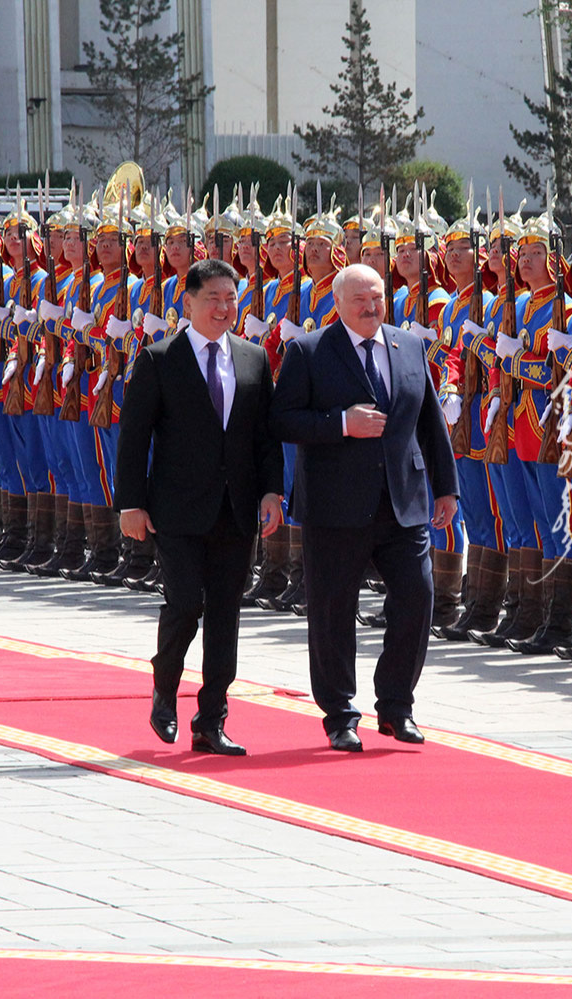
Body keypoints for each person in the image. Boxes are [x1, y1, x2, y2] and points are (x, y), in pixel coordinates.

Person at [269, 262, 459, 751]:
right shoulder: (308, 351)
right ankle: (340, 714)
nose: (373, 307)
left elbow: (429, 421)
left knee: (417, 598)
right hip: (336, 505)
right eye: (361, 300)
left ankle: (396, 706)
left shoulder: (409, 345)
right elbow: (284, 420)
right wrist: (340, 424)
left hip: (403, 501)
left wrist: (446, 488)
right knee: (333, 611)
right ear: (337, 304)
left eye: (378, 298)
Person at [114, 258, 283, 755]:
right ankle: (165, 688)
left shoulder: (253, 359)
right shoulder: (160, 358)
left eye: (231, 299)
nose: (224, 308)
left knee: (226, 614)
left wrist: (273, 491)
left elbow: (264, 436)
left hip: (237, 509)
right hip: (177, 508)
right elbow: (133, 438)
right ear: (187, 303)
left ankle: (212, 718)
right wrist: (130, 504)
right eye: (213, 298)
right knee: (186, 603)